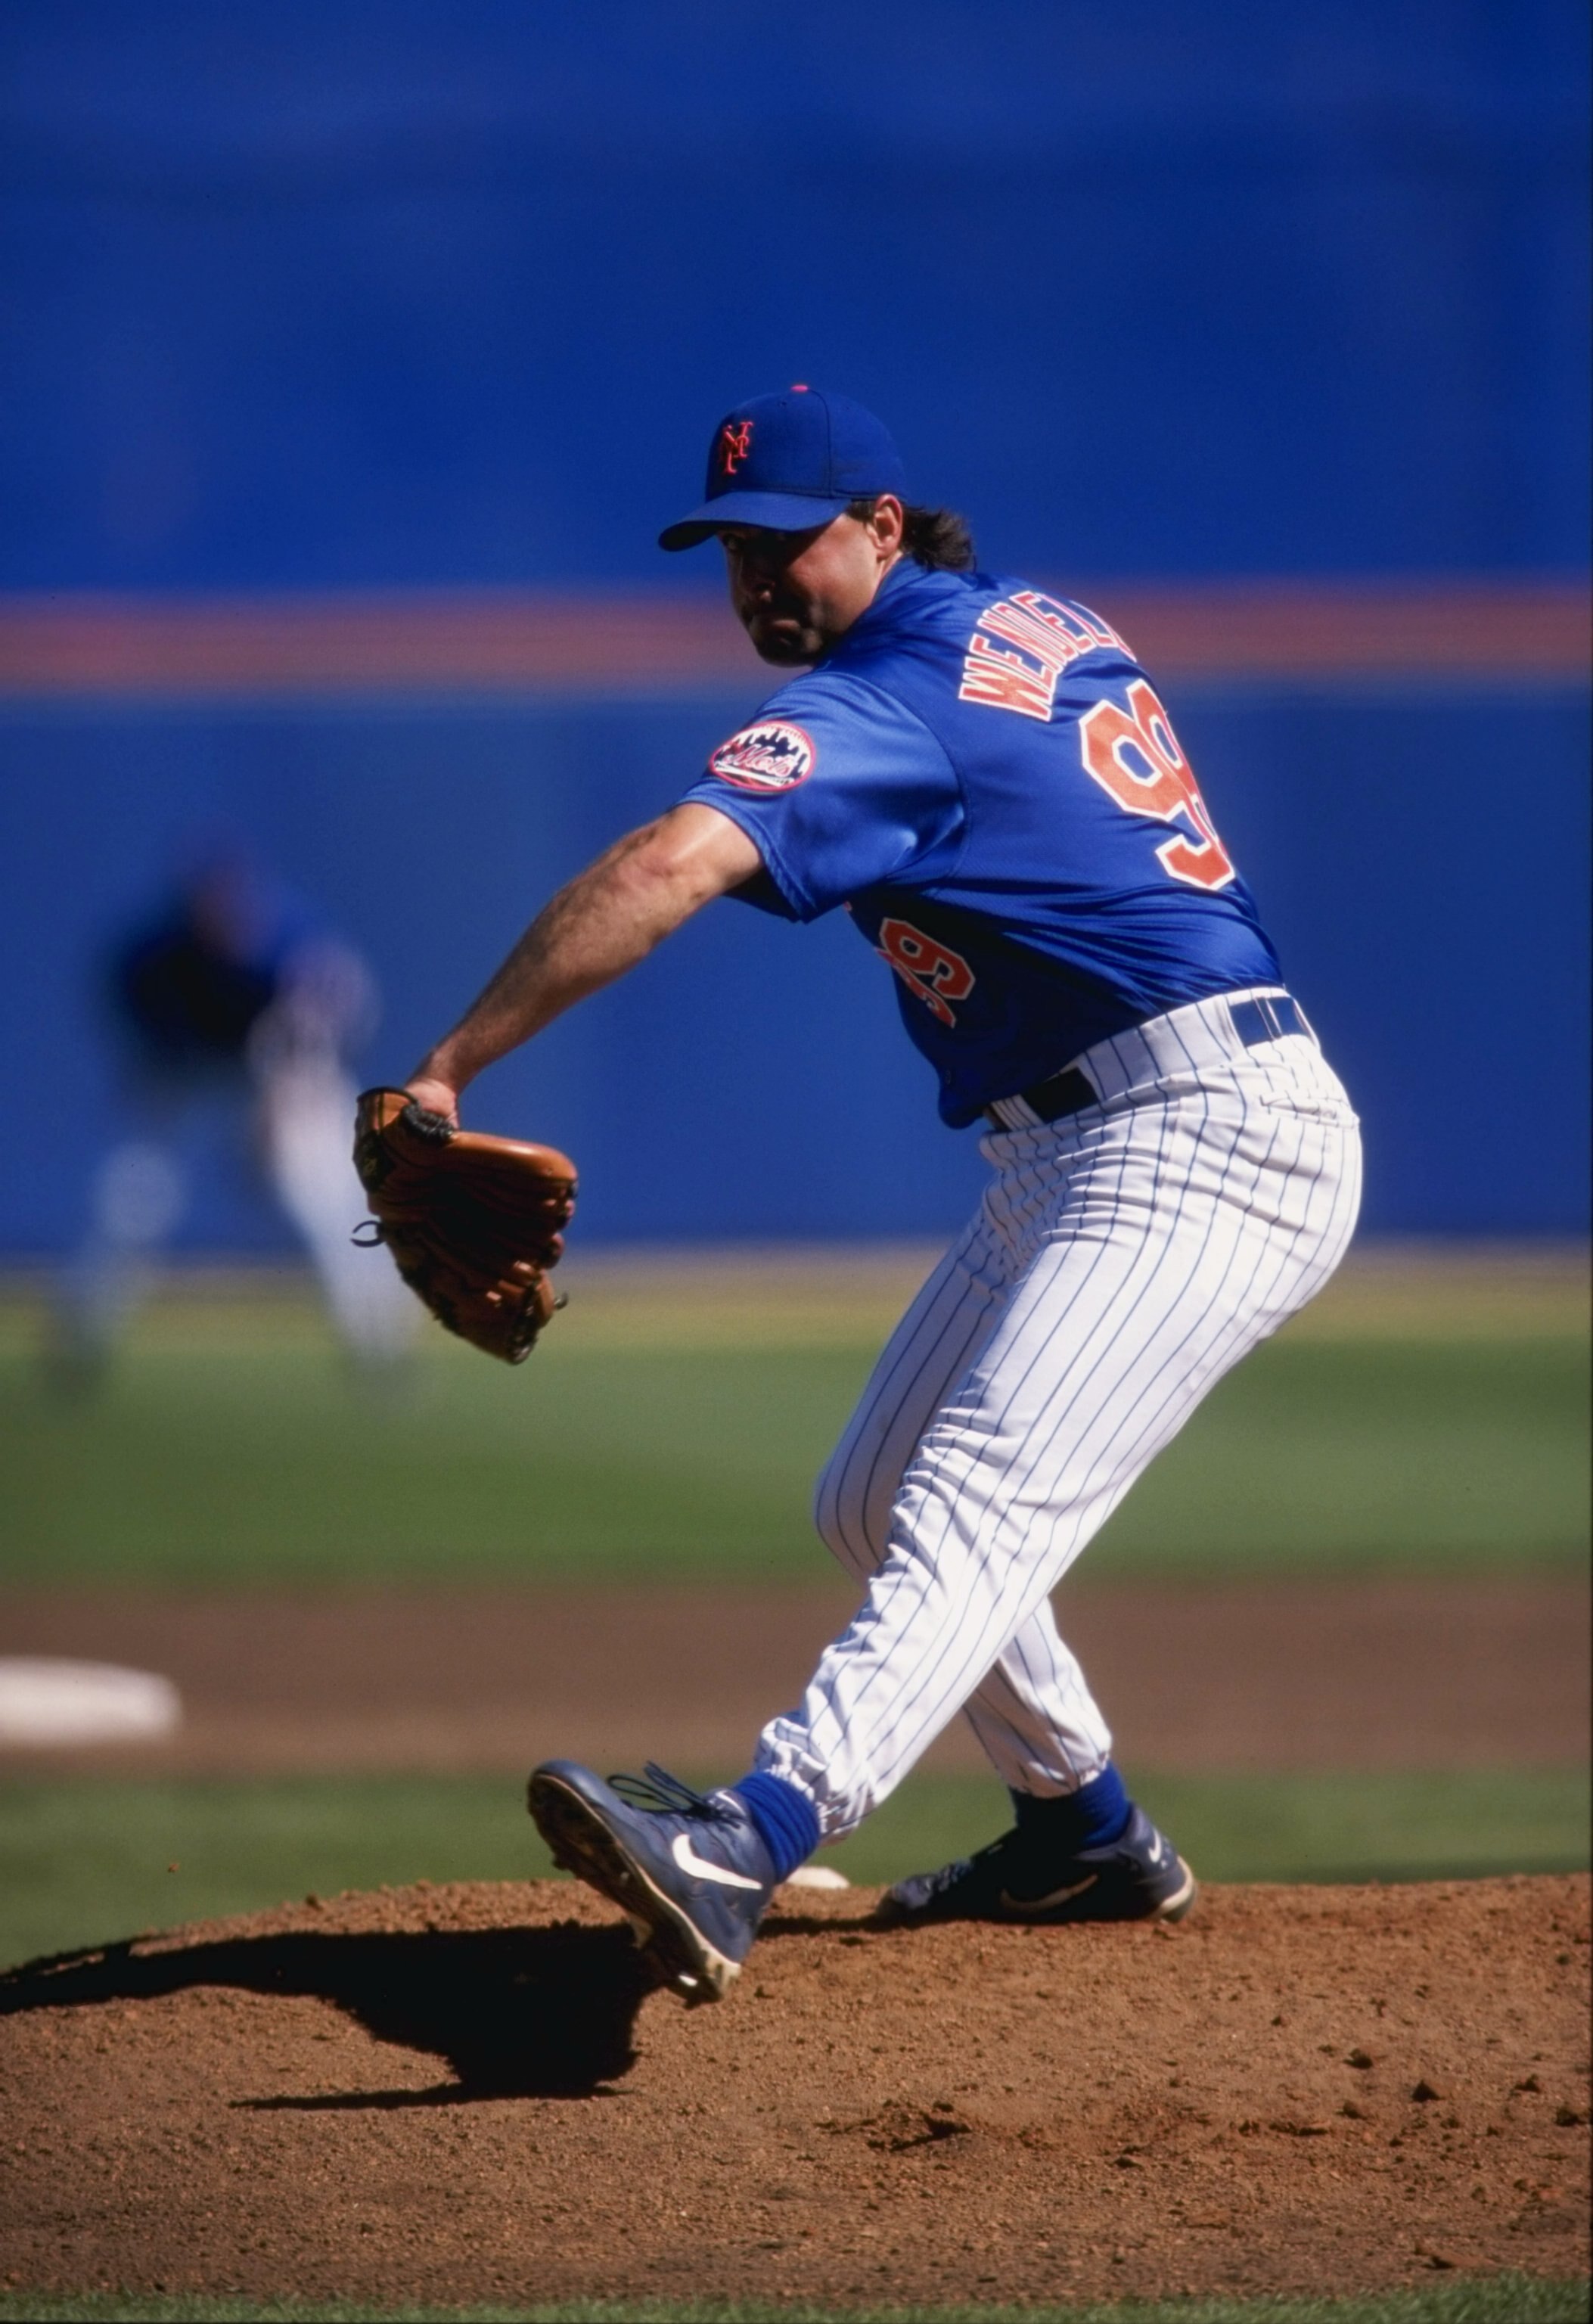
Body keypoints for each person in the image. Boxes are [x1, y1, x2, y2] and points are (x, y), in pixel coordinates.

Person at [402, 386, 1362, 2002]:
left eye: (791, 544)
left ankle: (748, 1836)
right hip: (1077, 1137)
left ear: (882, 529)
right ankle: (1084, 1828)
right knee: (871, 1498)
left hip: (1199, 1130)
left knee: (974, 1496)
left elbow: (663, 867)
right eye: (731, 552)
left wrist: (446, 1070)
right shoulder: (1034, 619)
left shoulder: (885, 699)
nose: (761, 582)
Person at [53, 852, 416, 1379]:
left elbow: (339, 1016)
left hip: (285, 1072)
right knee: (131, 1195)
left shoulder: (287, 942)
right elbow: (143, 1037)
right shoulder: (152, 958)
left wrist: (281, 1098)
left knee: (319, 1200)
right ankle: (80, 1339)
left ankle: (379, 1342)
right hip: (190, 1075)